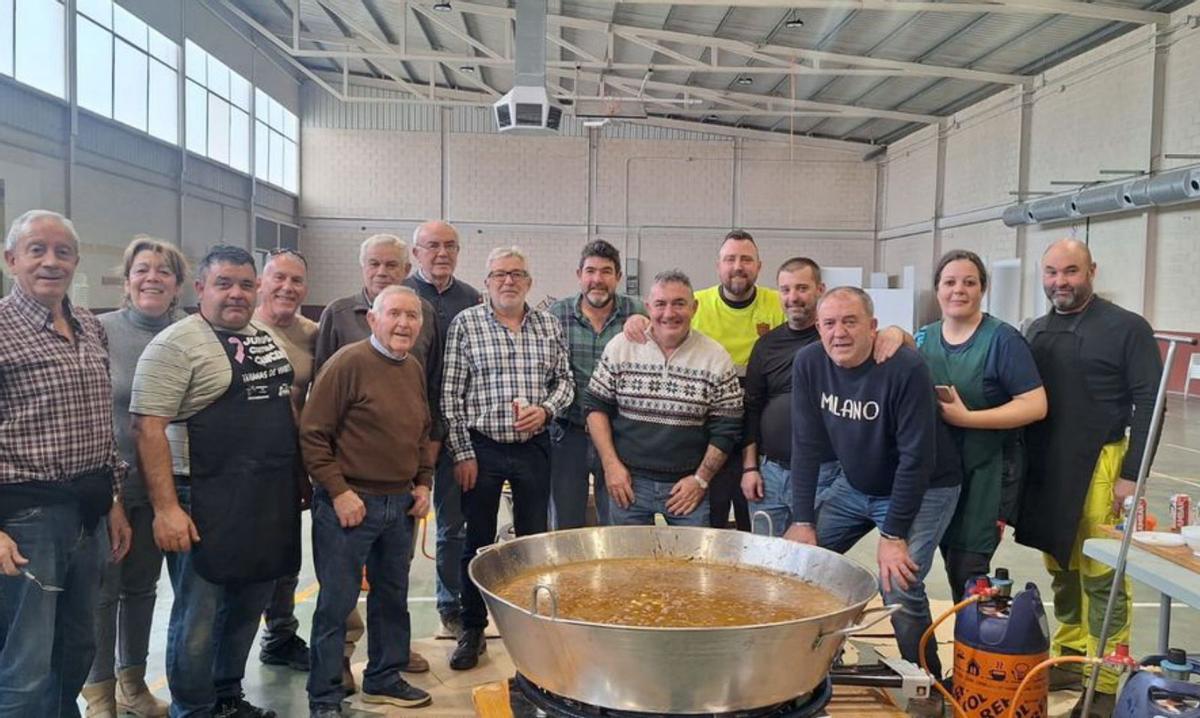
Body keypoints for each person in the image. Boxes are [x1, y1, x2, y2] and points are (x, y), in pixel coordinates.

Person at [131, 245, 301, 718]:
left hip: (262, 497)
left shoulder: (263, 336)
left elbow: (281, 407)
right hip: (199, 496)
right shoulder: (174, 345)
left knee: (248, 606)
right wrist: (167, 509)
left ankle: (228, 697)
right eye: (224, 283)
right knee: (198, 617)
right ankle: (194, 708)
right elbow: (147, 428)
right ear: (200, 288)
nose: (236, 293)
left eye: (246, 284)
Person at [1016, 239, 1161, 716]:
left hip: (1102, 465)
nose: (1061, 282)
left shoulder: (1127, 328)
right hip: (1051, 468)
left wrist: (1130, 474)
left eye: (1071, 271)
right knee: (1062, 566)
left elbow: (1150, 406)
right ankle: (1073, 654)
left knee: (1103, 576)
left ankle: (1107, 672)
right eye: (1052, 272)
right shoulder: (1035, 330)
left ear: (1092, 271)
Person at [787, 287, 961, 682]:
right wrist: (802, 521)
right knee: (797, 565)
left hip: (925, 486)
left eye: (850, 322)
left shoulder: (904, 368)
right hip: (856, 486)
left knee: (899, 584)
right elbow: (806, 446)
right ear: (818, 328)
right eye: (829, 323)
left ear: (873, 327)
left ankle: (924, 682)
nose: (839, 333)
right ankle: (815, 663)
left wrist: (893, 533)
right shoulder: (810, 363)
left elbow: (917, 458)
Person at [0, 210, 132, 718]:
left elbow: (101, 426)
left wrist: (115, 502)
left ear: (76, 261)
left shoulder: (90, 329)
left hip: (89, 516)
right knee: (24, 664)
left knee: (77, 648)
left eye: (62, 252)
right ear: (13, 260)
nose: (51, 261)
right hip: (27, 523)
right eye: (37, 250)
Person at [302, 286, 434, 717]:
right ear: (372, 319)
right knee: (336, 604)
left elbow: (420, 432)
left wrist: (422, 483)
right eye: (394, 314)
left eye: (411, 316)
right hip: (351, 505)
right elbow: (314, 434)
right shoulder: (349, 363)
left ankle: (383, 677)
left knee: (392, 597)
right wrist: (339, 492)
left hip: (400, 505)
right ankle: (323, 696)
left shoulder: (411, 367)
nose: (403, 324)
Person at [441, 246, 573, 671]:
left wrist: (547, 409)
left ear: (529, 282)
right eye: (499, 274)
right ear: (487, 283)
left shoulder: (548, 326)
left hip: (534, 448)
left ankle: (533, 627)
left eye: (516, 273)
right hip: (482, 448)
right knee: (476, 543)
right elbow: (450, 396)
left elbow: (566, 383)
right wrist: (462, 452)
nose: (508, 281)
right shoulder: (466, 325)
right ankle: (473, 628)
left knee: (534, 543)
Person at [84, 237, 187, 718]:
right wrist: (110, 495)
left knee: (143, 589)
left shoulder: (192, 333)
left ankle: (133, 684)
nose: (152, 278)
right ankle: (99, 693)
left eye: (163, 271)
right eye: (142, 269)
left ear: (178, 284)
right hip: (112, 489)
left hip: (166, 490)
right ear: (126, 281)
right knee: (104, 593)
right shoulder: (98, 332)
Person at [741, 258, 916, 536]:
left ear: (819, 289)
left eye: (801, 288)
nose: (793, 297)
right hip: (770, 472)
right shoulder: (767, 344)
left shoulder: (841, 341)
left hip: (824, 470)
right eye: (785, 290)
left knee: (816, 555)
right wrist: (750, 467)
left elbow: (889, 342)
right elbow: (752, 407)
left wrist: (899, 333)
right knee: (770, 557)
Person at [626, 230, 783, 531]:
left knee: (757, 528)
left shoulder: (779, 304)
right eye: (730, 259)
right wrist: (636, 320)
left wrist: (896, 334)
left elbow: (828, 322)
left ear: (759, 266)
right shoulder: (695, 304)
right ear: (718, 265)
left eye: (746, 259)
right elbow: (661, 320)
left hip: (760, 439)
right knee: (712, 527)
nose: (738, 266)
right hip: (710, 439)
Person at [914, 250, 1046, 602]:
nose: (959, 290)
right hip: (937, 475)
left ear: (982, 289)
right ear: (937, 289)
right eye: (950, 282)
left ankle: (975, 652)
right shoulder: (923, 339)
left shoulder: (1002, 340)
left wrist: (967, 419)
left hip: (986, 475)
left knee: (967, 571)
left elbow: (1035, 405)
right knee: (924, 563)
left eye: (969, 282)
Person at [587, 270, 741, 528]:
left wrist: (701, 479)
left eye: (679, 303)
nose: (669, 313)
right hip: (628, 484)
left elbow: (728, 427)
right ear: (648, 307)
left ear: (694, 307)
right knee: (627, 565)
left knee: (690, 566)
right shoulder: (621, 347)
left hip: (687, 488)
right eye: (660, 304)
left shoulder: (716, 357)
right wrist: (610, 465)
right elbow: (595, 407)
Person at [402, 221, 481, 638]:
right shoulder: (399, 298)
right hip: (403, 434)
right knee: (398, 528)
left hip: (452, 432)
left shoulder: (471, 299)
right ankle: (391, 622)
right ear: (416, 253)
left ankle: (450, 604)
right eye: (432, 246)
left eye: (450, 245)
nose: (441, 253)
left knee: (452, 526)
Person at [548, 240, 645, 529]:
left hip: (620, 436)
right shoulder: (556, 314)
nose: (597, 280)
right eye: (590, 271)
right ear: (579, 274)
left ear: (617, 277)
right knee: (565, 525)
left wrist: (646, 322)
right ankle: (568, 576)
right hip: (568, 435)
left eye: (606, 272)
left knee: (617, 518)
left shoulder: (637, 312)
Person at [253, 248, 319, 672]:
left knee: (286, 557)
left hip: (288, 463)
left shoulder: (313, 333)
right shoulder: (238, 328)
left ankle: (279, 634)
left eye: (296, 281)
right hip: (241, 463)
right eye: (278, 277)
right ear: (262, 281)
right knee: (245, 560)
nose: (287, 287)